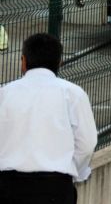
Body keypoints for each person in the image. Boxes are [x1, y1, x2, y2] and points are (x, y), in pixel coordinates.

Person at [0, 33, 98, 204]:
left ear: (23, 61)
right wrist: (72, 171)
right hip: (55, 187)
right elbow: (87, 144)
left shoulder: (4, 93)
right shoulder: (73, 94)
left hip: (8, 186)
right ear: (59, 62)